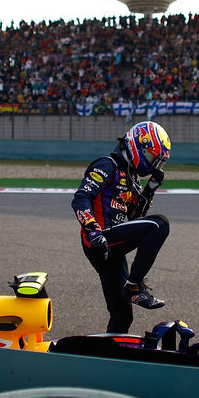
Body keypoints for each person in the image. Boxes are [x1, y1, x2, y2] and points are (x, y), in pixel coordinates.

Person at [71, 121, 171, 334]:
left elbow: (135, 215)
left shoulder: (131, 175)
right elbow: (81, 198)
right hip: (100, 240)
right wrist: (92, 230)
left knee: (122, 315)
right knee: (160, 224)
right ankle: (134, 285)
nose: (154, 165)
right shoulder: (107, 165)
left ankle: (109, 358)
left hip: (113, 247)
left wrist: (150, 190)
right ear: (137, 146)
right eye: (153, 158)